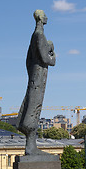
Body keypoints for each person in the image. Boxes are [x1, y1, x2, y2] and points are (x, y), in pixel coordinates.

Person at [16, 10, 56, 155]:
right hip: (38, 78)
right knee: (34, 107)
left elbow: (27, 60)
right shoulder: (39, 35)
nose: (47, 17)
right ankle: (30, 146)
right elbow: (48, 60)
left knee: (33, 105)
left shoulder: (35, 36)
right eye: (44, 15)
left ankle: (31, 145)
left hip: (35, 76)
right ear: (40, 18)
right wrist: (52, 50)